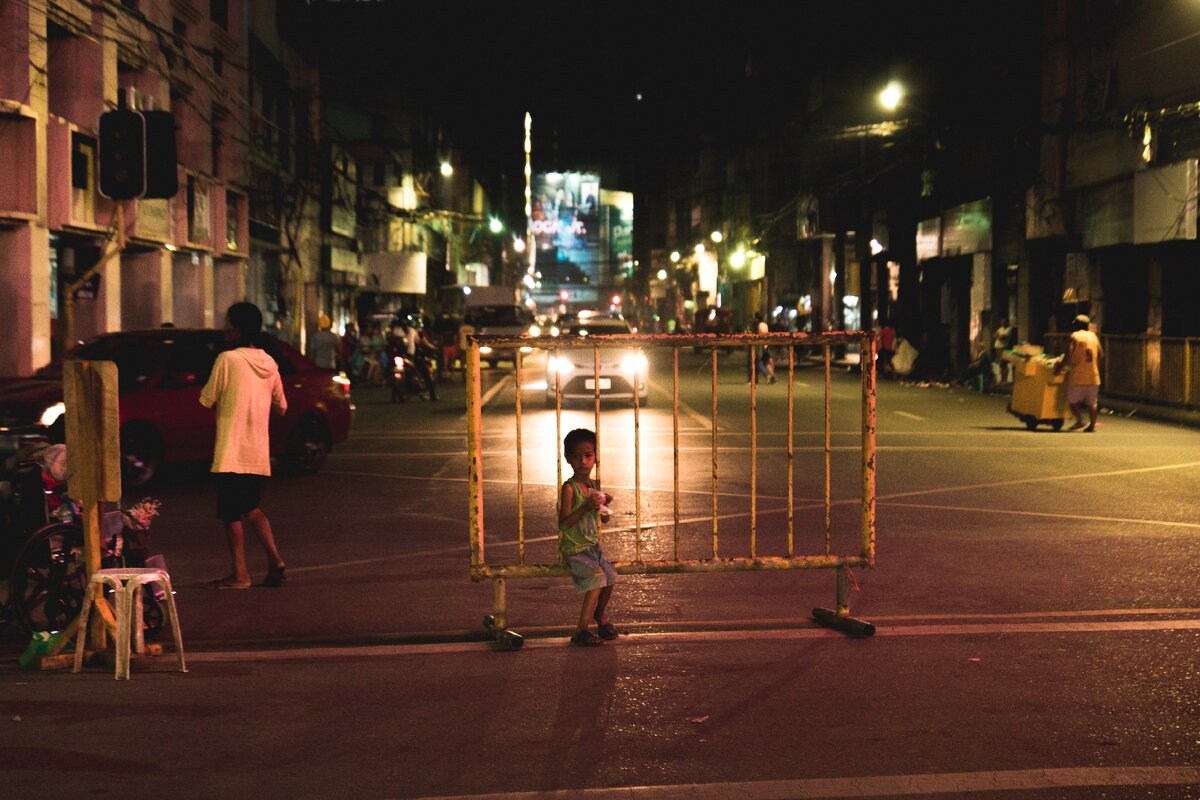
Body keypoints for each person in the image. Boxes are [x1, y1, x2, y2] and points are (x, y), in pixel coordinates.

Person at [199, 302, 288, 589]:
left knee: (230, 514)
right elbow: (282, 407)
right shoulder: (270, 363)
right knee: (252, 507)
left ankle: (241, 574)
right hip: (257, 452)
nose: (225, 328)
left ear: (238, 329)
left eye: (228, 323)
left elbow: (207, 398)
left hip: (231, 451)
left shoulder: (227, 360)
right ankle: (275, 559)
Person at [558, 428, 619, 647]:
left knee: (611, 576)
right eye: (576, 457)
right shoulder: (569, 488)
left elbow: (604, 520)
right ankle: (581, 630)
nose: (583, 462)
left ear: (595, 457)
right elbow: (563, 523)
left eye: (588, 456)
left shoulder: (593, 485)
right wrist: (585, 507)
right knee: (597, 578)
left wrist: (604, 505)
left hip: (592, 546)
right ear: (568, 459)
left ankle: (600, 617)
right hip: (575, 548)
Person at [1056, 313, 1102, 432]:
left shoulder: (1075, 336)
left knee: (1071, 400)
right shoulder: (1094, 336)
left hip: (1078, 375)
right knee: (1092, 402)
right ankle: (1092, 426)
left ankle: (1080, 420)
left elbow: (1068, 355)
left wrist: (1059, 368)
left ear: (1077, 325)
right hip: (1093, 375)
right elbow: (1101, 353)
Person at [992, 317, 1014, 384]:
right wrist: (998, 335)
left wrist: (998, 336)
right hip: (998, 348)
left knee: (1003, 363)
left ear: (1007, 322)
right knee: (1000, 364)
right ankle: (1002, 379)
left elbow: (1002, 338)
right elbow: (994, 335)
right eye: (1002, 322)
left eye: (1004, 322)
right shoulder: (1000, 328)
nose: (1002, 323)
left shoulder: (1009, 329)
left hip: (1003, 348)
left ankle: (1005, 379)